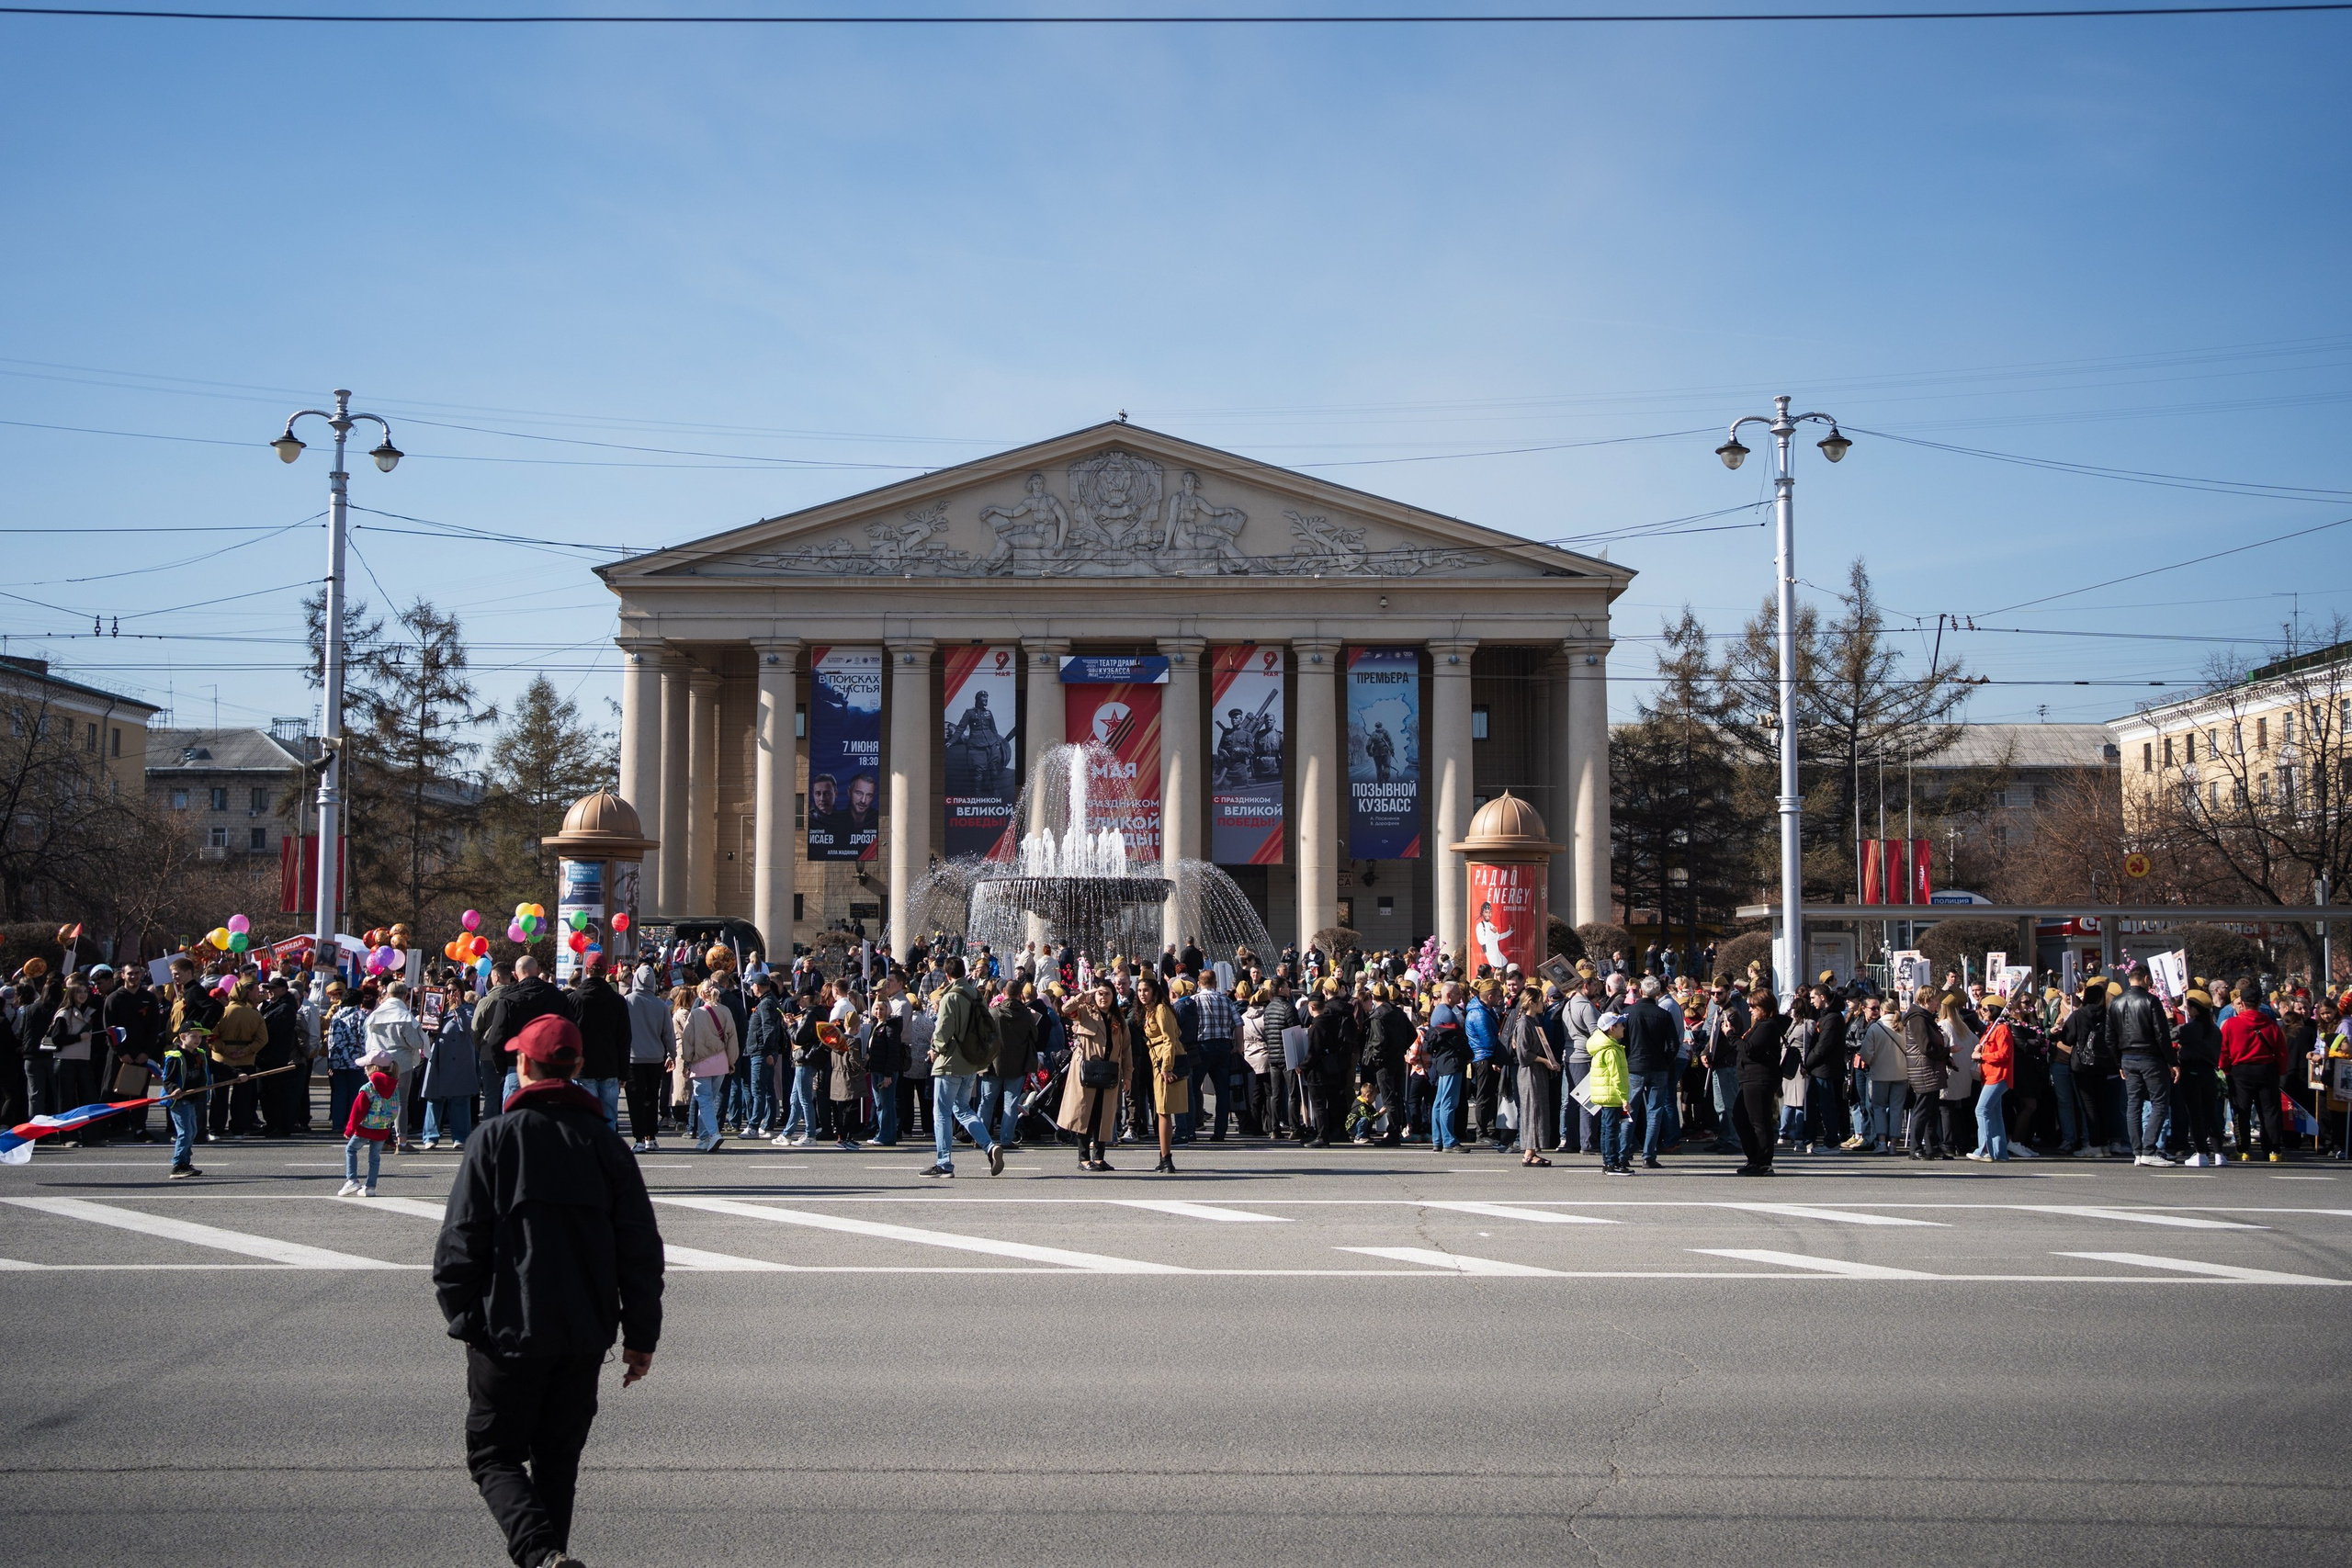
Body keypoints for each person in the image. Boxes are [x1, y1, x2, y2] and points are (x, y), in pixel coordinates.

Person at [433, 1014, 664, 1568]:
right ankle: (551, 1560)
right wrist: (640, 1338)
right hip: (583, 1330)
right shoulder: (607, 1146)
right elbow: (640, 1252)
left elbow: (459, 1245)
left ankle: (540, 1555)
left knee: (493, 1456)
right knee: (558, 1463)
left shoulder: (495, 1138)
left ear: (523, 1066)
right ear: (578, 1067)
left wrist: (466, 1316)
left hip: (506, 1328)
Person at [922, 956, 1003, 1179]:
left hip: (950, 1062)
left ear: (947, 976)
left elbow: (944, 1029)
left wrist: (934, 1049)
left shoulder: (951, 997)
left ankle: (944, 1162)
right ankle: (989, 1146)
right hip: (971, 1061)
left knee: (941, 1113)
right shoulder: (976, 994)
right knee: (963, 1108)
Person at [478, 955, 579, 1106]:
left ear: (516, 975)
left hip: (517, 1067)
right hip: (550, 1068)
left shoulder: (508, 1000)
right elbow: (571, 1031)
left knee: (514, 1124)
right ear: (538, 971)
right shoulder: (557, 997)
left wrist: (503, 1068)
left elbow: (495, 1039)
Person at [1057, 976, 1132, 1172]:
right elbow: (1065, 1009)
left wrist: (1128, 1075)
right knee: (1085, 1114)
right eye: (1100, 993)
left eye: (1107, 994)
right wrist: (1085, 995)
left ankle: (1099, 1157)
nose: (1103, 998)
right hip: (1086, 1071)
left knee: (1104, 1115)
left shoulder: (1119, 1020)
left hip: (1109, 1072)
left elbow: (1126, 1050)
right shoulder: (1085, 1013)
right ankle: (1083, 1158)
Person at [2109, 962, 2177, 1167]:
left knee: (2134, 1104)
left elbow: (2109, 1036)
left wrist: (2118, 1062)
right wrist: (2172, 1061)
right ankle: (2148, 1149)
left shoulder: (2116, 1002)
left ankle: (2138, 1151)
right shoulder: (2151, 1000)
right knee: (2159, 1102)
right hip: (2150, 1057)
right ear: (2146, 978)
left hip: (2127, 1058)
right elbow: (2161, 1034)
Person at [2221, 979, 2290, 1162]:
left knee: (2241, 1111)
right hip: (2266, 1070)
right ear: (2259, 1004)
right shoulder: (2271, 1025)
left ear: (2241, 1004)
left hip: (2240, 1071)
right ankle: (2273, 1150)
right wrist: (2280, 1070)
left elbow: (2224, 1051)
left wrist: (2226, 1069)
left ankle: (2243, 1150)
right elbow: (2282, 1051)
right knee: (2270, 1111)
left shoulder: (2231, 1024)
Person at [673, 981, 739, 1154]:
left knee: (704, 1099)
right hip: (721, 1061)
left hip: (701, 1062)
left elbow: (688, 1041)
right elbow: (732, 1038)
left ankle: (713, 1133)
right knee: (709, 1100)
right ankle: (704, 1138)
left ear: (702, 995)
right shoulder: (725, 1011)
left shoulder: (695, 1014)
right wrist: (731, 1061)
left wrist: (687, 1062)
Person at [1622, 976, 1680, 1169]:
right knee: (1654, 1111)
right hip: (1658, 1066)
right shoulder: (1663, 1015)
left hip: (1634, 1066)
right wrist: (1666, 1061)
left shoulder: (1629, 1012)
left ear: (1640, 991)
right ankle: (1649, 1154)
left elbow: (1622, 1041)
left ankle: (1624, 1152)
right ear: (1656, 993)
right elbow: (1673, 1044)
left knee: (1629, 1110)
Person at [1730, 988, 1790, 1176]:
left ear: (1763, 1007)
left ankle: (1763, 1162)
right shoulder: (1761, 1025)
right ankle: (1753, 1158)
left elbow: (1749, 1049)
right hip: (1750, 1078)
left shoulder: (1768, 1026)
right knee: (1740, 1117)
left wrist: (1731, 1036)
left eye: (1752, 1006)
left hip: (1759, 1079)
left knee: (1759, 1121)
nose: (1749, 1010)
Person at [570, 962, 632, 1134]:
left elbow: (565, 1035)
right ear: (606, 972)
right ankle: (607, 1154)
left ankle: (587, 1154)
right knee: (609, 1118)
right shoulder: (617, 1001)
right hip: (609, 1066)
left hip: (581, 1067)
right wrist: (624, 1071)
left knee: (585, 1117)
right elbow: (624, 1038)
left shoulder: (573, 999)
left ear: (587, 971)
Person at [1135, 973, 1186, 1173]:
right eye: (1139, 991)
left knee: (1164, 1111)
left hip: (1165, 1062)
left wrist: (1167, 1067)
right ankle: (1163, 1155)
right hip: (1157, 1061)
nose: (1142, 994)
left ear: (1155, 991)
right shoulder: (1149, 1011)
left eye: (1146, 990)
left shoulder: (1161, 1009)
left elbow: (1169, 1039)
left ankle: (1167, 1159)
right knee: (1161, 1110)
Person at [422, 982, 481, 1150]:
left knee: (460, 1100)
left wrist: (459, 1007)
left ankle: (460, 1137)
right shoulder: (437, 1008)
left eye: (455, 991)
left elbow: (467, 1027)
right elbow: (427, 1028)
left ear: (461, 992)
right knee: (434, 1099)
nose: (451, 994)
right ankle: (430, 1137)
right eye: (448, 991)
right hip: (439, 1058)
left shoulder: (468, 1009)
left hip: (459, 1060)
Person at [207, 979, 268, 1140]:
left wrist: (226, 1050)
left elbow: (211, 1037)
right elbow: (262, 1039)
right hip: (246, 1060)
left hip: (221, 1060)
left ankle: (216, 1130)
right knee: (242, 1098)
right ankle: (238, 1130)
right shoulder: (254, 1014)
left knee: (219, 1096)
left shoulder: (222, 1012)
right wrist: (246, 1051)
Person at [622, 967, 674, 1153]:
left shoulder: (627, 1002)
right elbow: (668, 1033)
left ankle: (638, 1138)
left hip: (633, 1058)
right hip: (655, 1057)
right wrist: (672, 1054)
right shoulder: (661, 1005)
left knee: (634, 1100)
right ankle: (651, 1137)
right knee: (652, 1097)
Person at [2173, 987, 2225, 1167]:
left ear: (2194, 1010)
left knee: (2195, 1114)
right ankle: (2219, 1153)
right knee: (2210, 1113)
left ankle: (2201, 1152)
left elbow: (2168, 1036)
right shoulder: (2215, 1030)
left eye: (2188, 1007)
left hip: (2191, 1072)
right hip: (2209, 1073)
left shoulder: (2189, 1029)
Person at [1509, 985, 1558, 1166]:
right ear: (1531, 1002)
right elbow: (1524, 1054)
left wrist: (1550, 1061)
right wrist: (1545, 1061)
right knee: (1531, 1109)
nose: (1543, 1003)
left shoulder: (1535, 1021)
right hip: (1529, 1072)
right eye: (1540, 1000)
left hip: (1538, 1072)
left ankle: (1532, 1151)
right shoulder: (1523, 1023)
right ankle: (1529, 1152)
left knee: (1538, 1109)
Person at [1189, 968, 1240, 1142]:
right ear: (1215, 983)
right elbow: (1238, 1024)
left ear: (1199, 983)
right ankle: (1220, 1132)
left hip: (1201, 1047)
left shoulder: (1193, 1001)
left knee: (1193, 1088)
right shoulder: (1226, 1000)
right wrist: (1239, 1046)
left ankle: (1191, 1128)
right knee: (1222, 1091)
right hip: (1223, 1046)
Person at [339, 1053, 400, 1197]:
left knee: (351, 1150)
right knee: (375, 1157)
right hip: (383, 1129)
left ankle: (352, 1180)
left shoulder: (368, 1088)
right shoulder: (394, 1087)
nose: (364, 1069)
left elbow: (358, 1110)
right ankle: (370, 1187)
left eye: (366, 1067)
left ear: (375, 1068)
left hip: (365, 1128)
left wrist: (349, 1129)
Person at [1584, 1009, 1632, 1174]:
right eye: (1620, 1025)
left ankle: (1608, 1161)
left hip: (1605, 1095)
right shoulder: (1611, 1050)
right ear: (1611, 1028)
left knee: (1606, 1129)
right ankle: (1612, 1162)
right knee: (1612, 1131)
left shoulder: (1602, 1046)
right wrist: (1625, 1098)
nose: (1623, 1028)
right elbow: (1616, 1076)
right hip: (1612, 1095)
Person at [1969, 1002, 2016, 1162]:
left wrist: (1981, 1056)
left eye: (1986, 1009)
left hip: (1998, 1076)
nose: (1982, 1012)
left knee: (1981, 1110)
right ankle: (1999, 1152)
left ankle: (1985, 1149)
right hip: (1989, 1076)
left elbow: (2004, 1054)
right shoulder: (1991, 1029)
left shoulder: (2002, 1029)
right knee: (1995, 1114)